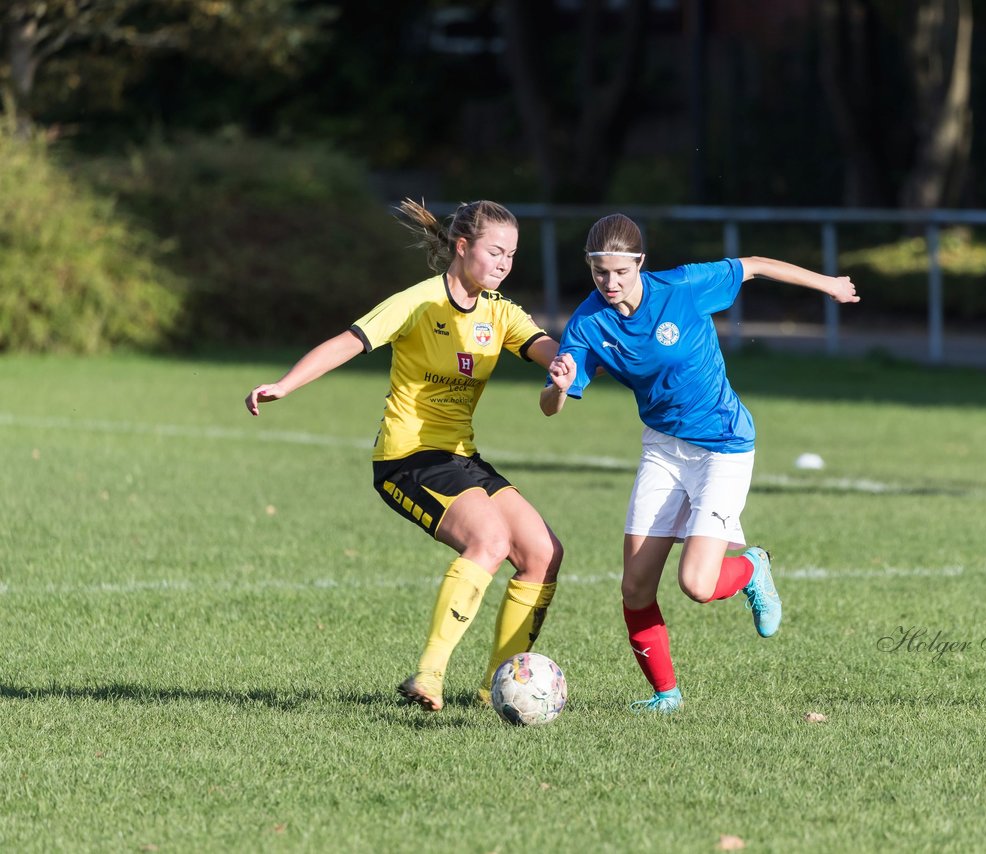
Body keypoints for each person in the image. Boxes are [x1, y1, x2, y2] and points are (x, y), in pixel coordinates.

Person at [245, 199, 564, 711]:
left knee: (543, 553)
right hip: (407, 459)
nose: (505, 263)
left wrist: (566, 365)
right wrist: (285, 385)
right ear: (462, 247)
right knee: (489, 539)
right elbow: (346, 343)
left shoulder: (499, 312)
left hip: (461, 456)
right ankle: (428, 677)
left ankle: (497, 691)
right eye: (496, 251)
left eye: (512, 254)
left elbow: (547, 348)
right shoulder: (418, 302)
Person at [540, 213, 859, 713]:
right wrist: (558, 389)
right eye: (600, 272)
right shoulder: (587, 323)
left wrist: (830, 285)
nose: (610, 282)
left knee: (697, 584)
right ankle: (665, 695)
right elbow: (549, 406)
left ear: (640, 264)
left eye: (620, 272)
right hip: (662, 450)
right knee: (636, 585)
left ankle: (752, 568)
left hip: (723, 447)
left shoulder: (683, 288)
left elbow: (752, 265)